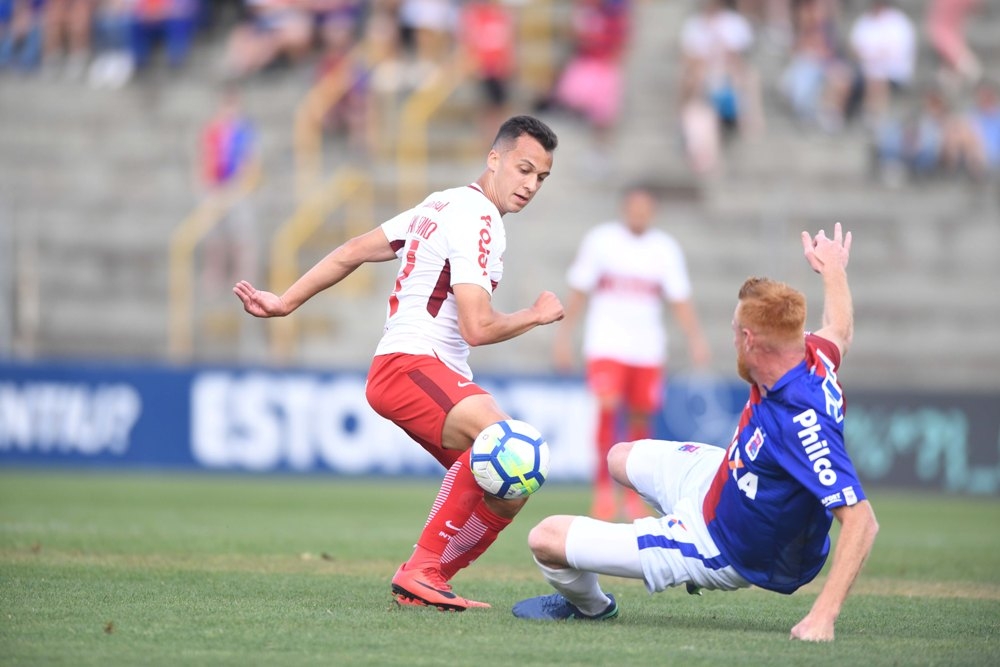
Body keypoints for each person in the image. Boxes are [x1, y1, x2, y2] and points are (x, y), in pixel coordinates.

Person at [233, 115, 564, 611]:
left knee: (511, 484)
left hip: (416, 369)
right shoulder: (478, 217)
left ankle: (429, 581)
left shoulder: (440, 204)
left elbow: (351, 251)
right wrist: (535, 316)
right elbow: (477, 327)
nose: (530, 185)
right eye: (523, 169)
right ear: (493, 158)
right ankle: (421, 568)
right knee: (504, 440)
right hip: (411, 363)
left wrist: (285, 302)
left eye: (541, 177)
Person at [514, 222, 880, 643]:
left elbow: (861, 522)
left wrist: (823, 617)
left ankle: (595, 607)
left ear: (748, 339)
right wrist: (833, 270)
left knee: (546, 539)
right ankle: (657, 538)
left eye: (732, 330)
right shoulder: (809, 351)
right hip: (721, 480)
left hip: (723, 543)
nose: (730, 338)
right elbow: (840, 330)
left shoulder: (802, 420)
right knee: (620, 457)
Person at [553, 184, 710, 522]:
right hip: (607, 343)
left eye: (645, 208)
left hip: (647, 348)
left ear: (652, 212)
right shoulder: (601, 241)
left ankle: (634, 495)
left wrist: (695, 338)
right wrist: (564, 337)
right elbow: (579, 291)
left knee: (640, 419)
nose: (639, 214)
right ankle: (604, 493)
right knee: (608, 409)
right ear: (624, 209)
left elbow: (679, 298)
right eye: (634, 207)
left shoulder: (664, 249)